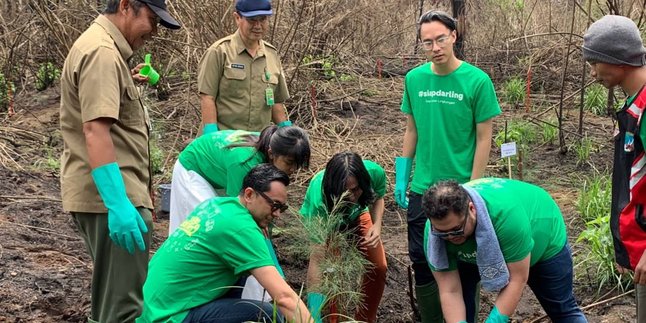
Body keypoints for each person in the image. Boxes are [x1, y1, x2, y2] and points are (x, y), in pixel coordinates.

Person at [59, 0, 180, 322]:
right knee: (123, 310)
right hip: (110, 198)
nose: (153, 31)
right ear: (127, 6)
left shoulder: (106, 51)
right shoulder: (101, 52)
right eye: (152, 20)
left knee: (113, 303)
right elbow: (95, 130)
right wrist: (118, 203)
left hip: (117, 193)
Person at [394, 10, 501, 322]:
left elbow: (484, 139)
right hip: (422, 186)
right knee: (421, 257)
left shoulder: (477, 81)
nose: (435, 47)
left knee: (464, 260)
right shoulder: (414, 79)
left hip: (460, 187)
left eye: (440, 39)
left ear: (454, 36)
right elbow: (411, 130)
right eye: (427, 43)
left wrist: (474, 187)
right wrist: (403, 176)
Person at [138, 164, 313, 322]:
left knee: (241, 273)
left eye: (282, 208)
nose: (277, 215)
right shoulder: (240, 228)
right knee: (266, 313)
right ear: (249, 194)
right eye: (274, 205)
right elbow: (284, 297)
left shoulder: (218, 205)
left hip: (149, 309)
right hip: (169, 316)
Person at [421, 178, 587, 323]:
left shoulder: (506, 217)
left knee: (562, 310)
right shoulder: (435, 233)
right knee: (463, 305)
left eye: (456, 229)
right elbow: (449, 290)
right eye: (443, 233)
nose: (450, 237)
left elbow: (517, 279)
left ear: (471, 209)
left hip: (543, 235)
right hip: (473, 254)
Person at [582, 15, 646, 321]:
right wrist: (626, 247)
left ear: (619, 59)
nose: (593, 73)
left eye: (596, 62)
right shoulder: (634, 106)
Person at [168, 125, 310, 234]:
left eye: (298, 164)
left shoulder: (272, 143)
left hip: (220, 169)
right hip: (194, 169)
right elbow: (238, 209)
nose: (293, 169)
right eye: (289, 162)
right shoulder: (245, 163)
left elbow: (266, 210)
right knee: (204, 226)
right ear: (271, 153)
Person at [301, 151, 387, 323]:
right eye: (345, 193)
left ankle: (364, 319)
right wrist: (313, 317)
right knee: (333, 271)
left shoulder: (374, 173)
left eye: (356, 190)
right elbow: (317, 262)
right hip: (329, 217)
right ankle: (334, 319)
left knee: (378, 265)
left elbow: (378, 197)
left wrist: (377, 225)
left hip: (357, 214)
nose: (352, 197)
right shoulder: (320, 200)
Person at [197, 0, 290, 135]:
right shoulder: (219, 52)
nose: (258, 26)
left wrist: (285, 130)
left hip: (257, 142)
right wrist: (212, 137)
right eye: (252, 20)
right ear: (237, 18)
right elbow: (207, 97)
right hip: (224, 140)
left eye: (263, 19)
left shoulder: (271, 54)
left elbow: (276, 101)